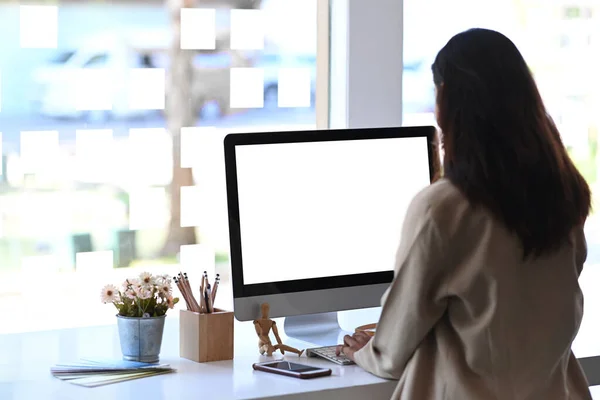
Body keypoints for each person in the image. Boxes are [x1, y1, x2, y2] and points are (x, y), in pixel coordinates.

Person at [337, 28, 593, 399]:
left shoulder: (444, 208)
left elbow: (392, 351)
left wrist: (364, 351)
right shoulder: (563, 196)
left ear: (447, 103)